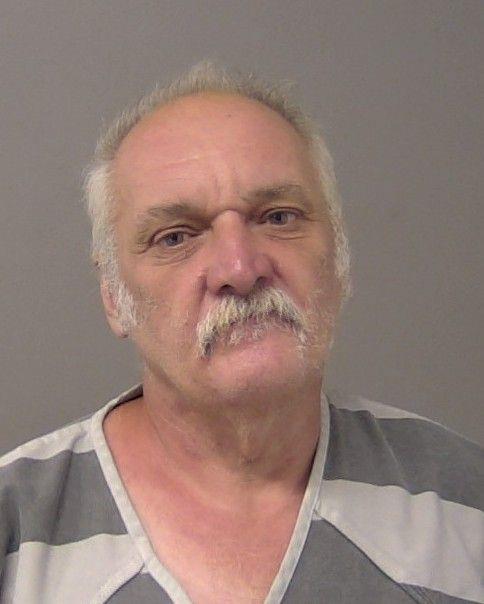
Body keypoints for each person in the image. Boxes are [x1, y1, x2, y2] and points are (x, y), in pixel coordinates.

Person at [0, 62, 482, 604]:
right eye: (176, 237)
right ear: (114, 295)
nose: (240, 268)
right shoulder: (16, 526)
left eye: (278, 218)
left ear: (340, 259)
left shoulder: (467, 504)